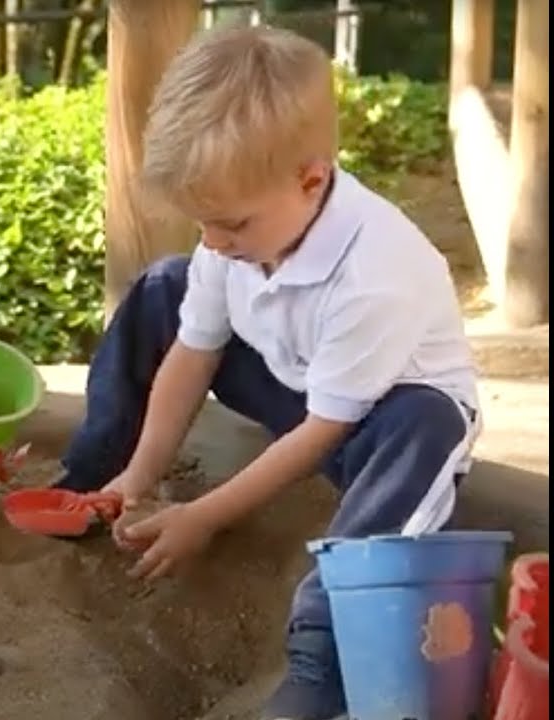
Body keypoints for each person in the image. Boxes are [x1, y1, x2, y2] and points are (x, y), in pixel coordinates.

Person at [50, 26, 481, 720]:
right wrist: (144, 471)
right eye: (205, 224)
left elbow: (320, 435)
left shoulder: (377, 272)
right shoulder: (238, 234)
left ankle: (322, 653)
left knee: (425, 425)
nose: (214, 243)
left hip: (374, 425)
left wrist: (203, 517)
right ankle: (98, 481)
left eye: (230, 225)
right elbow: (192, 353)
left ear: (311, 179)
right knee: (164, 287)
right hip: (296, 380)